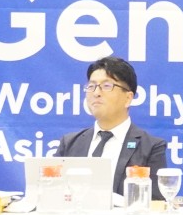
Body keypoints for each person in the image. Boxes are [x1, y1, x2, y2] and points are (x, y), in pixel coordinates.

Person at [56, 56, 167, 200]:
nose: (96, 93)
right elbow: (53, 193)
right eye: (91, 86)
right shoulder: (70, 143)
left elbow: (156, 203)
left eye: (106, 86)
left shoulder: (151, 147)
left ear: (128, 98)